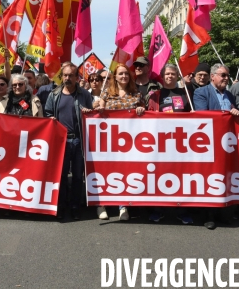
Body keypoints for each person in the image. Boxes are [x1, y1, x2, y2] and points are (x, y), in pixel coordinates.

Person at [193, 63, 239, 230]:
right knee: (209, 179)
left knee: (225, 178)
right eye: (223, 75)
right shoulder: (201, 92)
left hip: (227, 143)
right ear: (212, 77)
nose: (226, 78)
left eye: (227, 75)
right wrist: (225, 116)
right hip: (209, 142)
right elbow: (202, 114)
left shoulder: (230, 95)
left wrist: (234, 112)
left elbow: (235, 114)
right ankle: (208, 215)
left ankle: (224, 213)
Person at [45, 63, 93, 220]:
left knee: (78, 176)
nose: (67, 78)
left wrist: (88, 112)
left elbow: (93, 113)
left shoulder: (84, 95)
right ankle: (62, 205)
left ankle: (75, 206)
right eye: (65, 75)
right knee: (62, 175)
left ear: (77, 77)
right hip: (61, 141)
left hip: (79, 140)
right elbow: (48, 112)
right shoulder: (54, 94)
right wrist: (50, 119)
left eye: (71, 75)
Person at [98, 64, 145, 221]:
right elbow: (97, 107)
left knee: (124, 172)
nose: (124, 76)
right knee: (106, 171)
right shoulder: (106, 94)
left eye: (126, 74)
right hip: (109, 140)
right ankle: (102, 205)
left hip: (130, 142)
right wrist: (98, 107)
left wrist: (140, 110)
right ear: (115, 77)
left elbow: (144, 109)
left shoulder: (136, 94)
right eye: (120, 74)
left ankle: (122, 205)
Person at [147, 64, 193, 224]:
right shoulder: (156, 95)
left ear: (177, 76)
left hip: (182, 142)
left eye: (173, 74)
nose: (170, 76)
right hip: (160, 143)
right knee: (159, 176)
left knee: (181, 176)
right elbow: (149, 116)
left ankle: (182, 210)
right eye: (167, 74)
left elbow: (192, 115)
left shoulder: (185, 93)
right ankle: (157, 210)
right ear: (162, 76)